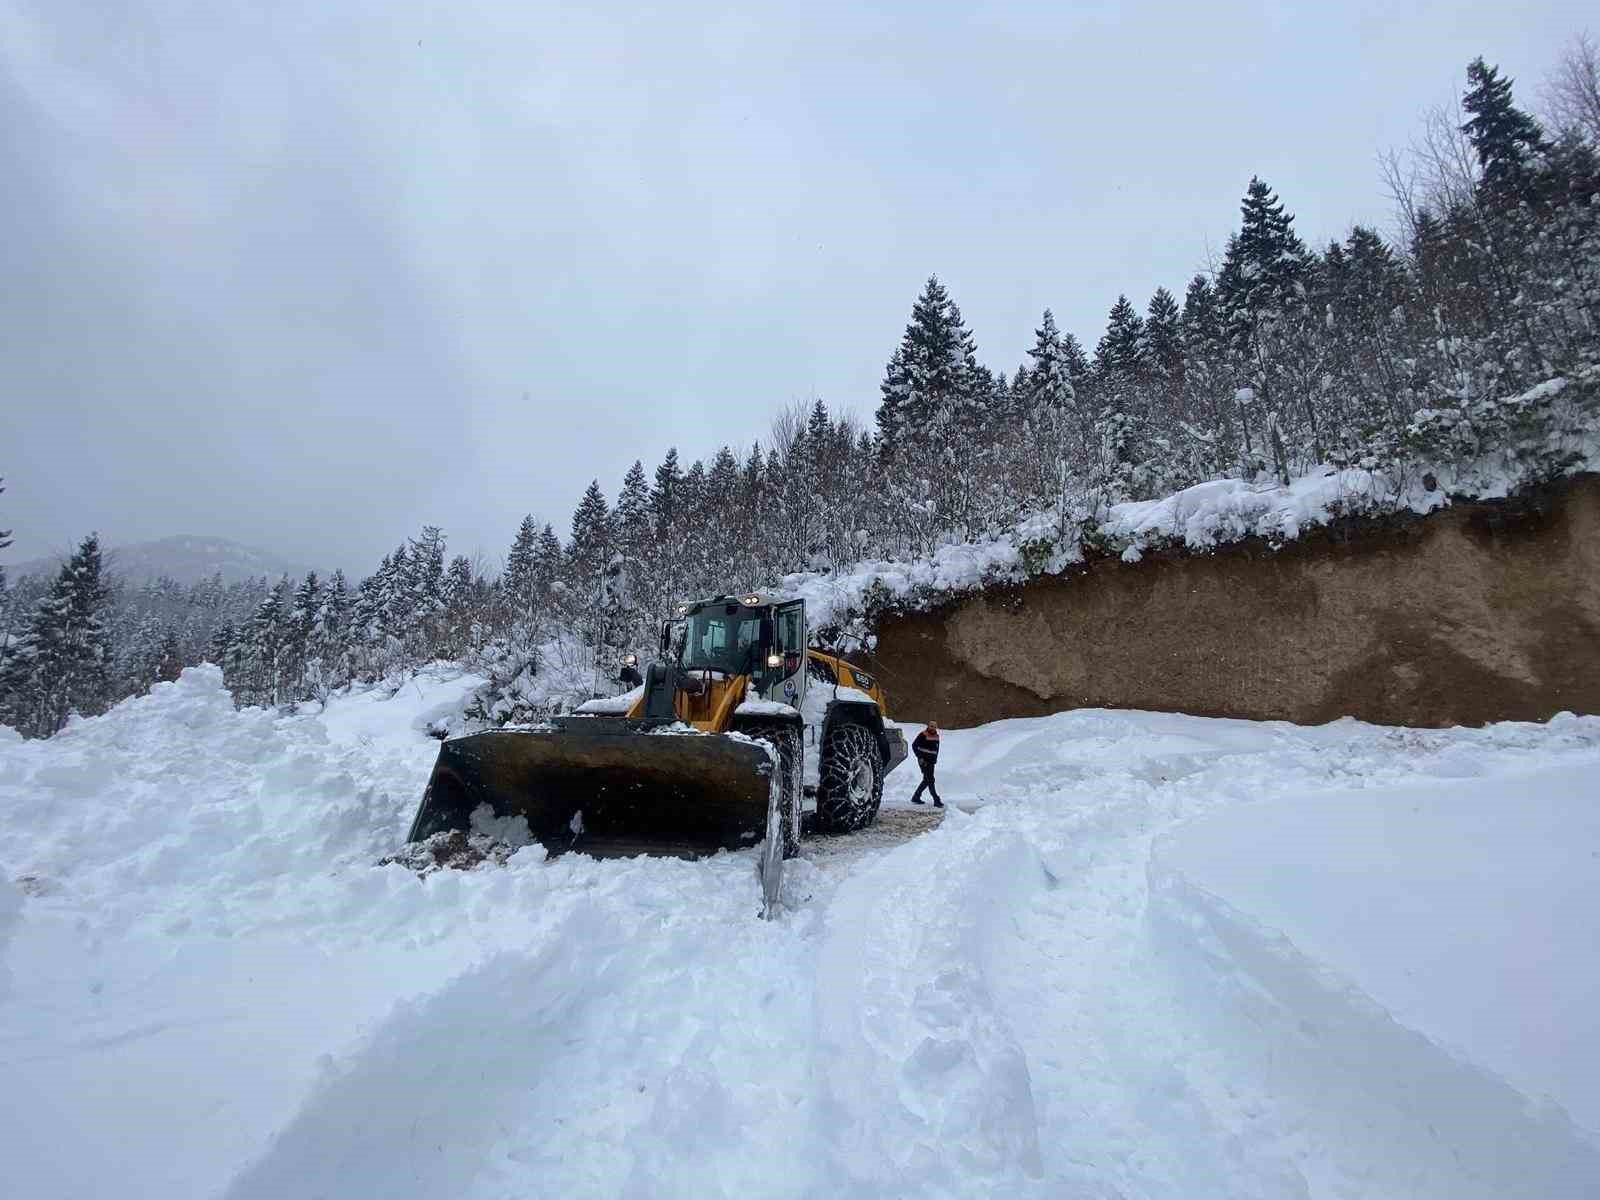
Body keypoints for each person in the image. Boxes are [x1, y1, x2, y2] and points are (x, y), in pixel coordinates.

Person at [910, 721, 943, 808]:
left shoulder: (936, 736)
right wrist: (920, 757)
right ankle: (936, 800)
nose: (933, 728)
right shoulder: (923, 734)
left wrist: (935, 759)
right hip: (923, 761)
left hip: (931, 762)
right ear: (928, 726)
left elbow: (936, 749)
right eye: (931, 726)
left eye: (934, 726)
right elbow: (914, 745)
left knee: (927, 780)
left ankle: (916, 797)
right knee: (930, 780)